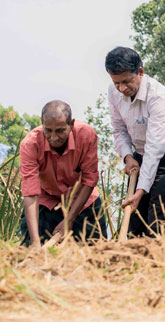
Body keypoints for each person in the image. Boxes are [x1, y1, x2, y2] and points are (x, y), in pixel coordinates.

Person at [106, 46, 165, 236]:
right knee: (134, 220)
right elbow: (118, 129)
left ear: (140, 72)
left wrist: (141, 190)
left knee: (158, 220)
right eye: (117, 83)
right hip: (139, 156)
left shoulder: (158, 96)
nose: (122, 88)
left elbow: (155, 147)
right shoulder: (113, 91)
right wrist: (127, 156)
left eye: (127, 81)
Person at [19, 101, 106, 245]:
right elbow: (30, 194)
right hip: (46, 202)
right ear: (42, 124)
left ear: (71, 125)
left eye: (60, 130)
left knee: (96, 254)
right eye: (48, 130)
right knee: (31, 252)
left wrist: (69, 220)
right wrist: (35, 244)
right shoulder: (30, 144)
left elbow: (89, 181)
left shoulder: (86, 135)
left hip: (82, 202)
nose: (54, 137)